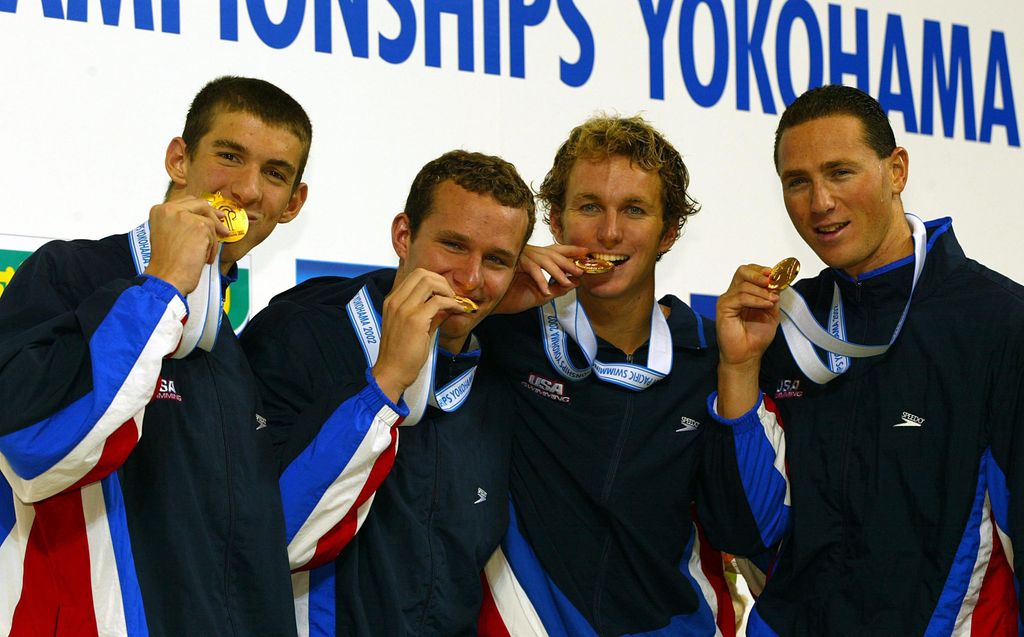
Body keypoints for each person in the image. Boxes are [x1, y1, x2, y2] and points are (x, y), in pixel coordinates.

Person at [0, 76, 310, 636]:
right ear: (178, 160)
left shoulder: (230, 347)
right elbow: (32, 449)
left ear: (293, 204)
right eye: (229, 156)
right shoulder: (70, 273)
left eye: (274, 173)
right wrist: (161, 287)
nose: (246, 190)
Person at [715, 84, 1024, 635]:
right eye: (797, 182)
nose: (820, 203)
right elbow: (749, 532)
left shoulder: (998, 321)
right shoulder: (782, 324)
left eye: (840, 172)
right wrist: (738, 369)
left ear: (896, 170)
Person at [476, 115, 788, 636]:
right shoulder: (504, 332)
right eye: (589, 206)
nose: (610, 232)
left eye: (635, 210)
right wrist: (495, 273)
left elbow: (752, 532)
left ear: (669, 231)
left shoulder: (712, 354)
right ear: (555, 220)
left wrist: (737, 370)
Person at [238, 150, 536, 636]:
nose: (471, 278)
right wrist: (385, 383)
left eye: (497, 260)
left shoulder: (501, 378)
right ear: (403, 235)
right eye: (453, 245)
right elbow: (274, 539)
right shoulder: (301, 334)